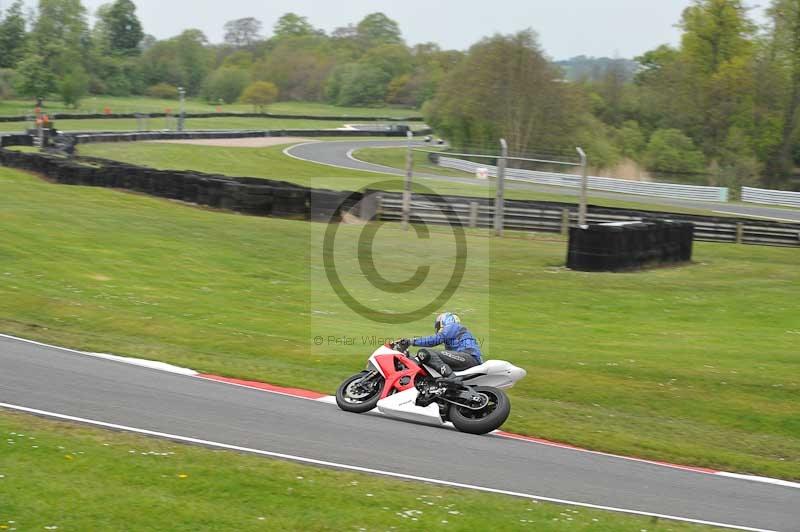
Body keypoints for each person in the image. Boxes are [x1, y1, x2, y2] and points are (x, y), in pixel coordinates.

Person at [399, 312, 482, 385]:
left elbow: (436, 340)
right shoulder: (453, 337)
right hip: (465, 360)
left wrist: (411, 341)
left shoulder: (453, 326)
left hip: (469, 358)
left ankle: (452, 377)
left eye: (438, 325)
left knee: (424, 353)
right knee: (427, 361)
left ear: (445, 321)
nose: (438, 328)